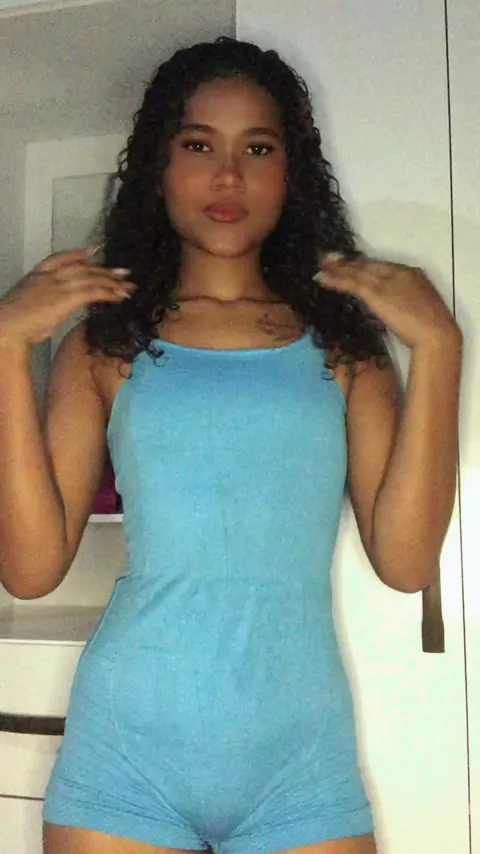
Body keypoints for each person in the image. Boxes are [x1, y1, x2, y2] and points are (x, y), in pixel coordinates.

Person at [0, 36, 462, 854]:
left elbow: (405, 562)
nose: (228, 177)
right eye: (197, 145)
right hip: (124, 755)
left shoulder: (343, 346)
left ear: (291, 173)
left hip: (300, 764)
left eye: (257, 148)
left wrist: (440, 346)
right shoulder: (103, 345)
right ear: (158, 168)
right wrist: (5, 348)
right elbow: (30, 571)